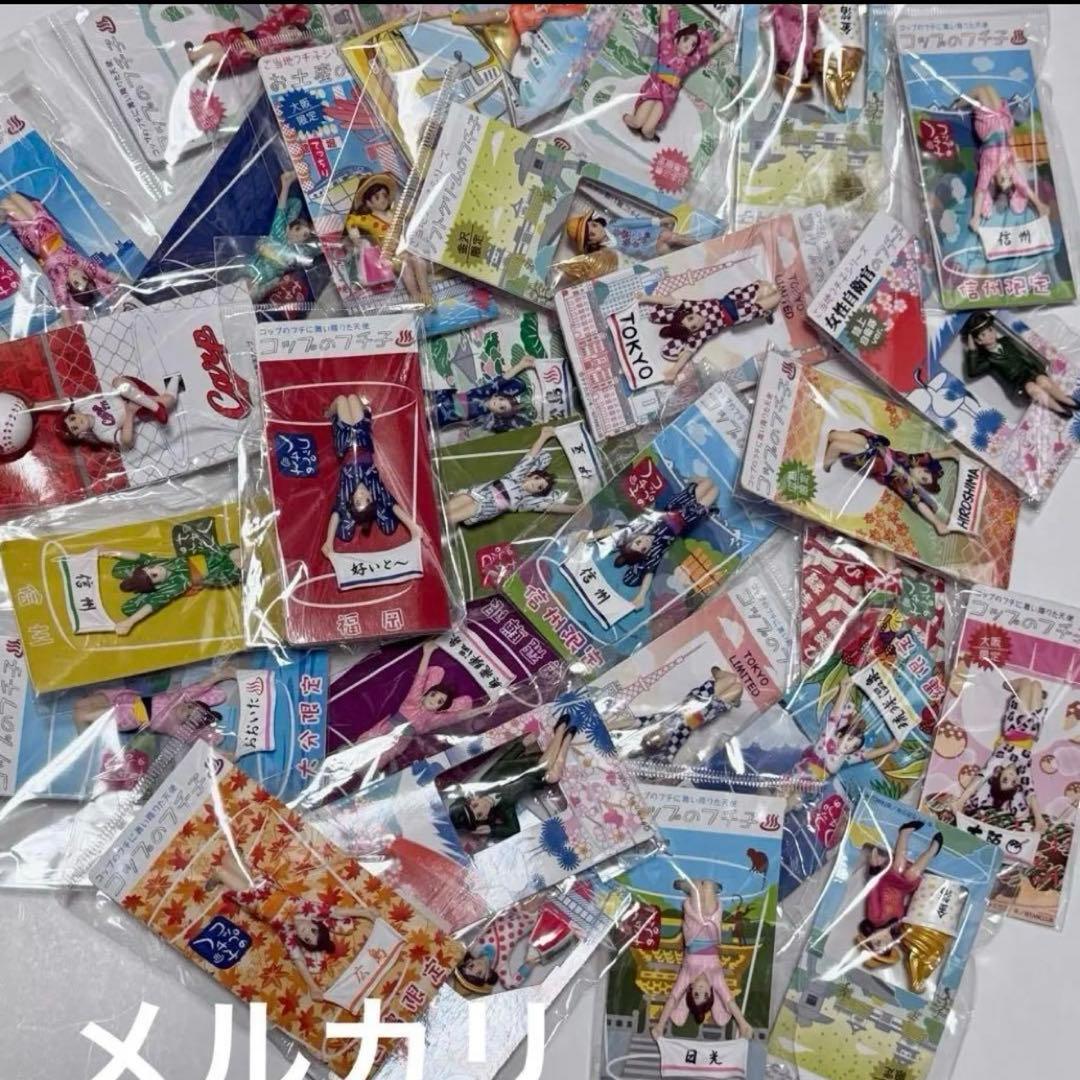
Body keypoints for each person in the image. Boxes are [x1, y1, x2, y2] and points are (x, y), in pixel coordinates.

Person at [205, 847, 376, 1003]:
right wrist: (366, 913)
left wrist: (313, 987)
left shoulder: (289, 935)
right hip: (263, 885)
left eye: (307, 939)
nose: (306, 932)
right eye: (313, 930)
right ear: (315, 922)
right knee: (228, 862)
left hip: (251, 899)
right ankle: (232, 863)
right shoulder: (310, 910)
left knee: (225, 872)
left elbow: (299, 960)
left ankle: (223, 872)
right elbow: (336, 911)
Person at [587, 476, 721, 613]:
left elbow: (616, 530)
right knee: (715, 490)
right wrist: (641, 596)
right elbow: (648, 572)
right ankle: (703, 499)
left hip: (675, 505)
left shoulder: (639, 528)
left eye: (638, 542)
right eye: (644, 549)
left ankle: (693, 483)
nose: (644, 543)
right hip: (688, 518)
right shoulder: (656, 550)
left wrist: (592, 535)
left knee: (708, 482)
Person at [950, 676, 1057, 833]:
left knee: (1026, 684)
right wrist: (1039, 818)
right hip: (1033, 728)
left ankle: (1011, 685)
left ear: (999, 775)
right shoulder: (1022, 768)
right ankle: (1025, 691)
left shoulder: (1000, 758)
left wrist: (960, 801)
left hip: (1014, 726)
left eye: (1005, 779)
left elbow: (981, 777)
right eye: (1013, 782)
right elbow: (1030, 792)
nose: (1012, 777)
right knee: (1037, 685)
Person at [321, 394, 419, 563]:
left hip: (345, 441)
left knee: (341, 400)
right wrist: (413, 527)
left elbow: (337, 513)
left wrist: (329, 541)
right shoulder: (375, 487)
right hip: (362, 437)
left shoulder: (346, 490)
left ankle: (330, 413)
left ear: (352, 501)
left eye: (358, 501)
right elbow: (393, 506)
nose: (361, 495)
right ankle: (359, 411)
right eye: (366, 500)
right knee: (353, 398)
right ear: (372, 498)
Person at [651, 878, 753, 1041]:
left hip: (693, 929)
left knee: (697, 888)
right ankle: (705, 889)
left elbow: (673, 999)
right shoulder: (715, 978)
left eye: (696, 994)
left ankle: (688, 887)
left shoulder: (687, 976)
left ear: (690, 991)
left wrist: (660, 1025)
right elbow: (729, 1001)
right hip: (711, 928)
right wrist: (743, 1023)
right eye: (705, 995)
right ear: (711, 992)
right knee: (708, 887)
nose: (701, 990)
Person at [822, 428, 969, 537]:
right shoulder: (909, 460)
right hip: (873, 444)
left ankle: (825, 467)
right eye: (925, 471)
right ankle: (827, 458)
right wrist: (949, 453)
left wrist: (937, 522)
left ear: (918, 483)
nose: (921, 472)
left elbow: (919, 503)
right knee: (833, 436)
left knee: (836, 445)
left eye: (923, 479)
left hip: (869, 460)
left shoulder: (902, 482)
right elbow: (929, 456)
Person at [443, 727, 575, 841]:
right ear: (485, 817)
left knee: (546, 766)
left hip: (529, 762)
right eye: (479, 814)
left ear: (473, 799)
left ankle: (563, 733)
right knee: (553, 774)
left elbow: (502, 762)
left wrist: (521, 745)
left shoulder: (487, 780)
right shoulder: (505, 808)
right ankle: (564, 735)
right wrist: (491, 830)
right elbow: (514, 828)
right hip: (539, 779)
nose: (481, 807)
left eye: (475, 805)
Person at [0, 192, 118, 319]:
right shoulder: (83, 265)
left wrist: (70, 323)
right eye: (84, 278)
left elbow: (63, 306)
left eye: (76, 283)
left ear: (69, 287)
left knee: (7, 205)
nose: (77, 276)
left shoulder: (60, 280)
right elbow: (110, 276)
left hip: (34, 238)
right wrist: (123, 287)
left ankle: (2, 217)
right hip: (46, 226)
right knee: (13, 197)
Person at [623, 6, 735, 141]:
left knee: (647, 130)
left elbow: (705, 52)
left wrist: (723, 40)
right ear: (677, 40)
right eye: (686, 39)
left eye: (693, 44)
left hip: (666, 98)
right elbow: (665, 27)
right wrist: (664, 7)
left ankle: (650, 136)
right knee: (637, 122)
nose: (689, 45)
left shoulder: (688, 62)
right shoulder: (667, 49)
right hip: (653, 90)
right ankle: (626, 118)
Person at [638, 280, 782, 383]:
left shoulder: (693, 307)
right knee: (762, 305)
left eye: (690, 319)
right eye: (693, 327)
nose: (696, 322)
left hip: (730, 299)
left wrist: (646, 298)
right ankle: (772, 303)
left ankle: (771, 296)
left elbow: (671, 302)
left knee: (757, 286)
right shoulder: (702, 333)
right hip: (736, 314)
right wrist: (674, 370)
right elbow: (688, 351)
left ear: (687, 314)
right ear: (694, 331)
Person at [445, 425, 578, 527]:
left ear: (539, 493)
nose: (535, 483)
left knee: (452, 518)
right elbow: (530, 457)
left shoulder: (526, 500)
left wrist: (574, 509)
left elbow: (550, 506)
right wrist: (544, 436)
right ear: (530, 475)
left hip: (487, 507)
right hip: (479, 493)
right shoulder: (516, 475)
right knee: (448, 507)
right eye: (537, 479)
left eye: (540, 487)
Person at [73, 666, 239, 745]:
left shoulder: (176, 728)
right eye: (190, 707)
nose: (186, 709)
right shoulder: (181, 698)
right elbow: (201, 686)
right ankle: (85, 717)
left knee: (93, 715)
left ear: (187, 725)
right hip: (129, 699)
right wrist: (221, 675)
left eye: (188, 716)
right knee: (89, 702)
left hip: (132, 717)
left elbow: (197, 739)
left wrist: (215, 744)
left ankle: (84, 725)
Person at [105, 541, 241, 637]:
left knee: (234, 552)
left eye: (150, 568)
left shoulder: (159, 563)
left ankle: (241, 556)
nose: (156, 569)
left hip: (210, 555)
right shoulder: (176, 584)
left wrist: (109, 551)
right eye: (153, 576)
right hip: (216, 572)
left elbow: (138, 556)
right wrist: (130, 622)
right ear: (154, 584)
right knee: (237, 563)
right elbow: (153, 604)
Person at [856, 820, 942, 967]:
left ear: (870, 935)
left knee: (900, 867)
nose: (885, 941)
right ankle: (932, 851)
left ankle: (904, 833)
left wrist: (874, 870)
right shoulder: (897, 926)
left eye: (878, 942)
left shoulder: (875, 917)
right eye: (887, 946)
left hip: (887, 882)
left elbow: (873, 892)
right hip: (903, 888)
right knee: (912, 874)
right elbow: (909, 909)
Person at [961, 311, 1077, 417]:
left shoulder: (1007, 341)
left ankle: (1067, 400)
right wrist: (972, 349)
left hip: (1030, 371)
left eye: (990, 330)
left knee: (1043, 381)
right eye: (983, 335)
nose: (989, 335)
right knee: (1033, 389)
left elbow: (1025, 354)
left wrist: (1038, 367)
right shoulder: (988, 359)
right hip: (1018, 383)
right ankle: (1059, 409)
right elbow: (972, 372)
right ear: (978, 341)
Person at [966, 84, 1049, 231]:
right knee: (990, 88)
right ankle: (963, 100)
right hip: (1002, 123)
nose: (1008, 176)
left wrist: (976, 216)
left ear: (994, 179)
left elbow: (981, 191)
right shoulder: (1009, 168)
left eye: (1003, 179)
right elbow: (1024, 186)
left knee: (981, 90)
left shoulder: (988, 169)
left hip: (988, 126)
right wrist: (1039, 204)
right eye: (1010, 179)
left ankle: (960, 101)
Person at [450, 6, 587, 94]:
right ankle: (463, 19)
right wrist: (523, 32)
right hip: (510, 22)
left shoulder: (549, 9)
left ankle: (514, 78)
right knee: (499, 14)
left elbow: (569, 9)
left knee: (524, 52)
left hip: (521, 36)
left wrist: (584, 8)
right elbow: (517, 11)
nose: (544, 8)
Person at [344, 172, 432, 306]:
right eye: (377, 197)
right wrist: (354, 234)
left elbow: (411, 212)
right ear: (368, 202)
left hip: (407, 248)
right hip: (391, 256)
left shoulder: (394, 212)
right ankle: (414, 296)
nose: (383, 199)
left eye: (384, 195)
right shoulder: (368, 219)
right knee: (405, 268)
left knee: (419, 262)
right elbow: (351, 219)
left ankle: (426, 294)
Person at [625, 666, 744, 763]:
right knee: (737, 687)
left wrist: (614, 727)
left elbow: (636, 722)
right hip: (705, 713)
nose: (655, 736)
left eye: (650, 735)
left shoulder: (659, 719)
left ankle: (719, 675)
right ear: (661, 745)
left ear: (648, 732)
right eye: (656, 742)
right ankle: (728, 690)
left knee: (731, 679)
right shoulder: (675, 740)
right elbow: (668, 757)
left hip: (696, 700)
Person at [793, 679, 901, 781]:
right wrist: (844, 690)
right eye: (849, 739)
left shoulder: (847, 757)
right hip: (807, 768)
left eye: (854, 746)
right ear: (840, 735)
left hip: (816, 778)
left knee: (798, 787)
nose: (849, 745)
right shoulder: (830, 737)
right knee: (793, 783)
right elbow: (834, 717)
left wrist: (889, 748)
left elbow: (866, 755)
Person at [555, 209, 694, 284]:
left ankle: (694, 243)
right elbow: (625, 262)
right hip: (649, 251)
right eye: (590, 235)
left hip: (651, 233)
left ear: (596, 222)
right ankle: (689, 263)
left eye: (593, 225)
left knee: (670, 236)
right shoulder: (606, 252)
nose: (594, 230)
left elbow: (635, 223)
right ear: (590, 243)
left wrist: (658, 221)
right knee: (666, 252)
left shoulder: (614, 224)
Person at [246, 170, 319, 306]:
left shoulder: (299, 251)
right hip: (254, 271)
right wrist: (285, 185)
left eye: (305, 235)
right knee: (287, 209)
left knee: (252, 294)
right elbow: (282, 209)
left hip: (263, 281)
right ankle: (286, 182)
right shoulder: (279, 234)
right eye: (298, 230)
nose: (300, 235)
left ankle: (286, 182)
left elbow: (319, 248)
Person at [184, 5, 315, 79]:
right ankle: (195, 53)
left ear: (292, 44)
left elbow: (284, 61)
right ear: (286, 26)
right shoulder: (273, 25)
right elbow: (290, 11)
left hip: (248, 53)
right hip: (243, 37)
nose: (288, 35)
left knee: (227, 55)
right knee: (220, 41)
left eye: (293, 38)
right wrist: (299, 10)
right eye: (290, 30)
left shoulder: (281, 50)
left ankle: (204, 67)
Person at [58, 375, 178, 451]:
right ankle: (175, 379)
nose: (77, 422)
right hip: (138, 407)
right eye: (75, 428)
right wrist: (130, 413)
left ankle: (156, 408)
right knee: (168, 401)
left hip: (130, 389)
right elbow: (126, 441)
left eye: (72, 419)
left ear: (74, 413)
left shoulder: (83, 406)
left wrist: (43, 406)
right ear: (80, 435)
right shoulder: (101, 433)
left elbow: (62, 403)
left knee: (117, 382)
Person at [430, 357, 537, 434]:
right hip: (442, 400)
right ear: (496, 396)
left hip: (442, 419)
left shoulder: (488, 418)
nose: (498, 403)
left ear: (499, 413)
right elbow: (502, 380)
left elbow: (464, 423)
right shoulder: (485, 393)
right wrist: (521, 365)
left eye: (501, 407)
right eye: (500, 399)